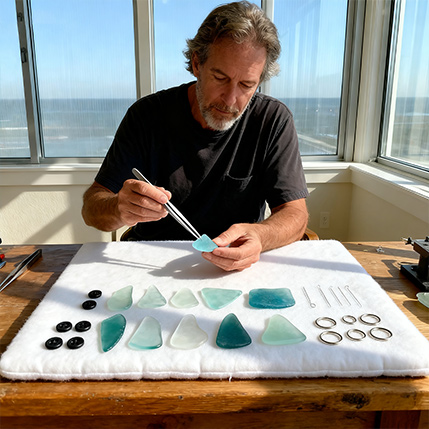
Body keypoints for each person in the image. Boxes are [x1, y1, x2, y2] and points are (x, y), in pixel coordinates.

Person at [82, 1, 309, 272]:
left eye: (247, 85)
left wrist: (261, 236)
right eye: (220, 78)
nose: (230, 99)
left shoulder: (272, 120)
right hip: (147, 264)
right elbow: (92, 209)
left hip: (231, 271)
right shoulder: (147, 116)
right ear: (197, 63)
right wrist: (118, 208)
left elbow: (295, 214)